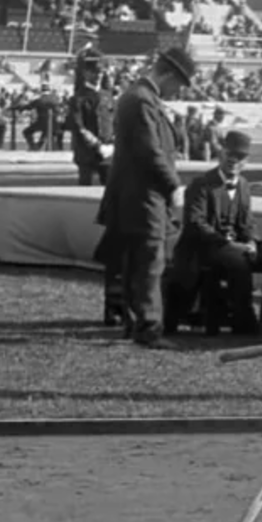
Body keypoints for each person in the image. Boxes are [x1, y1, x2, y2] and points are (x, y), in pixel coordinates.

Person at [96, 46, 195, 349]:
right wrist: (173, 186)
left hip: (135, 196)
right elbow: (151, 151)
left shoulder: (138, 97)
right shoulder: (141, 100)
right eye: (178, 84)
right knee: (151, 262)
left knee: (137, 263)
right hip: (144, 197)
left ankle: (134, 322)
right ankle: (149, 328)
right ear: (167, 74)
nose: (177, 91)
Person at [172, 130, 262, 336]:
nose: (233, 161)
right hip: (206, 247)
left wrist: (253, 241)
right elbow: (196, 223)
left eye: (240, 157)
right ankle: (245, 322)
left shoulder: (243, 185)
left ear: (246, 161)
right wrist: (228, 244)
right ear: (221, 153)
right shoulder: (201, 184)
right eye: (230, 155)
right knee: (239, 262)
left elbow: (247, 220)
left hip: (237, 245)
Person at [66, 46, 115, 186]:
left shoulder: (107, 96)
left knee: (110, 194)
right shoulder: (78, 98)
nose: (99, 75)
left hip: (108, 153)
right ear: (86, 73)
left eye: (100, 72)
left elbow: (115, 122)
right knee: (85, 190)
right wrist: (98, 145)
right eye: (95, 72)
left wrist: (113, 144)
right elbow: (78, 126)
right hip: (87, 154)